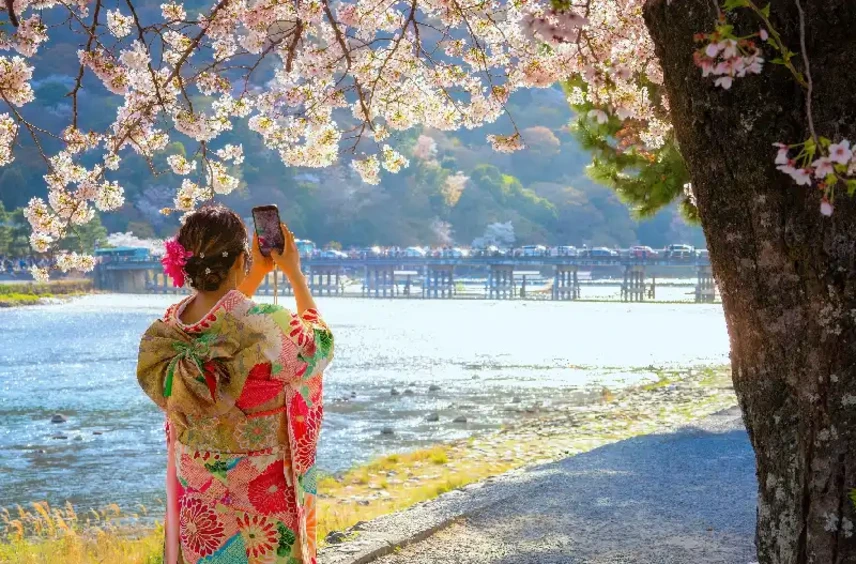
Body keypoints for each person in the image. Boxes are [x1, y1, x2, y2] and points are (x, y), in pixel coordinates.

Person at [136, 204, 333, 564]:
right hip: (263, 496)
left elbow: (223, 320)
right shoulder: (268, 323)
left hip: (200, 494)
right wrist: (295, 275)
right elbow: (318, 348)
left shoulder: (169, 327)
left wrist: (255, 271)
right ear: (239, 260)